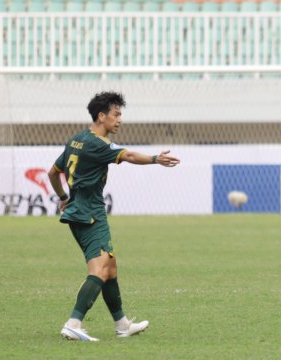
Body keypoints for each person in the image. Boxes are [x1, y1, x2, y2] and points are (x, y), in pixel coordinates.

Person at [48, 91, 180, 342]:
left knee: (110, 267)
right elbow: (128, 156)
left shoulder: (76, 140)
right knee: (99, 269)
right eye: (116, 114)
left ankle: (122, 325)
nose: (120, 120)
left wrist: (64, 198)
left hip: (81, 210)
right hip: (90, 214)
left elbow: (52, 173)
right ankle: (73, 322)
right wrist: (155, 159)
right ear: (101, 116)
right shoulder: (99, 145)